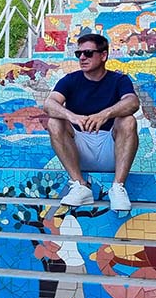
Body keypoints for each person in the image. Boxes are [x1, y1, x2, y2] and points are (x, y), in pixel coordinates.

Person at [42, 33, 140, 211]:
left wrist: (105, 114)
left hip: (110, 149)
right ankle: (79, 185)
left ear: (103, 56)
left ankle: (118, 187)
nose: (82, 58)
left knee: (128, 120)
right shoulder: (70, 80)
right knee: (54, 121)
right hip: (78, 151)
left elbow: (133, 102)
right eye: (78, 54)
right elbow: (49, 103)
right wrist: (72, 116)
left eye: (88, 53)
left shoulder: (119, 80)